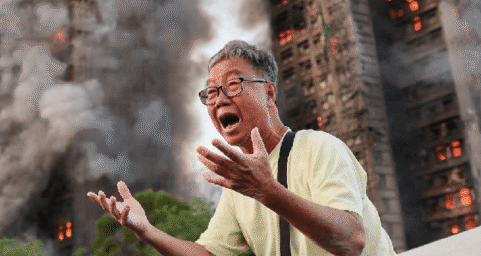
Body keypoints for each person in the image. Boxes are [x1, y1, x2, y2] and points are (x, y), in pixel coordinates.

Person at [89, 40, 396, 256]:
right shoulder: (240, 189)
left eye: (233, 84)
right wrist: (146, 231)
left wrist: (268, 192)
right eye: (211, 92)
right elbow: (208, 254)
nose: (219, 99)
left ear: (269, 93)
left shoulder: (319, 147)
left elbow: (351, 240)